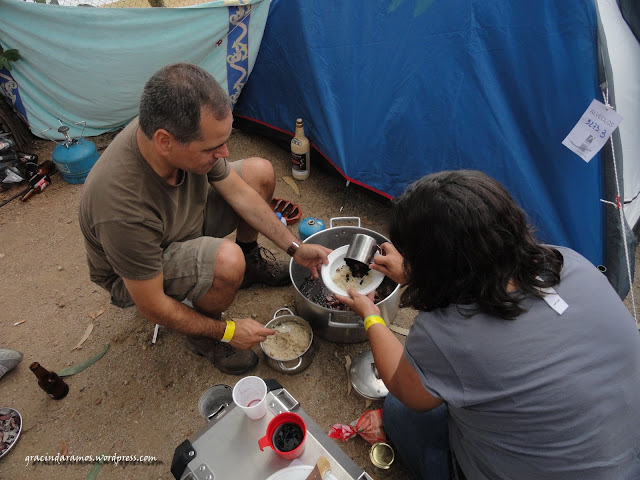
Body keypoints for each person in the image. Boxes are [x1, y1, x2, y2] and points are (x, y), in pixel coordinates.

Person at [337, 170, 640, 479]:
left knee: (401, 414)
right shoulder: (569, 261)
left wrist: (370, 314)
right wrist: (420, 274)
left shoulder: (447, 333)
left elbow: (405, 390)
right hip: (627, 457)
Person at [79, 63, 330, 375]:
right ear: (165, 142)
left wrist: (295, 247)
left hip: (182, 221)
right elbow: (151, 305)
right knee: (227, 261)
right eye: (212, 147)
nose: (224, 153)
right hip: (141, 270)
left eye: (225, 141)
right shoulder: (120, 208)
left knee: (259, 172)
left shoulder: (178, 132)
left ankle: (251, 263)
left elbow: (241, 194)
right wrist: (227, 331)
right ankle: (203, 335)